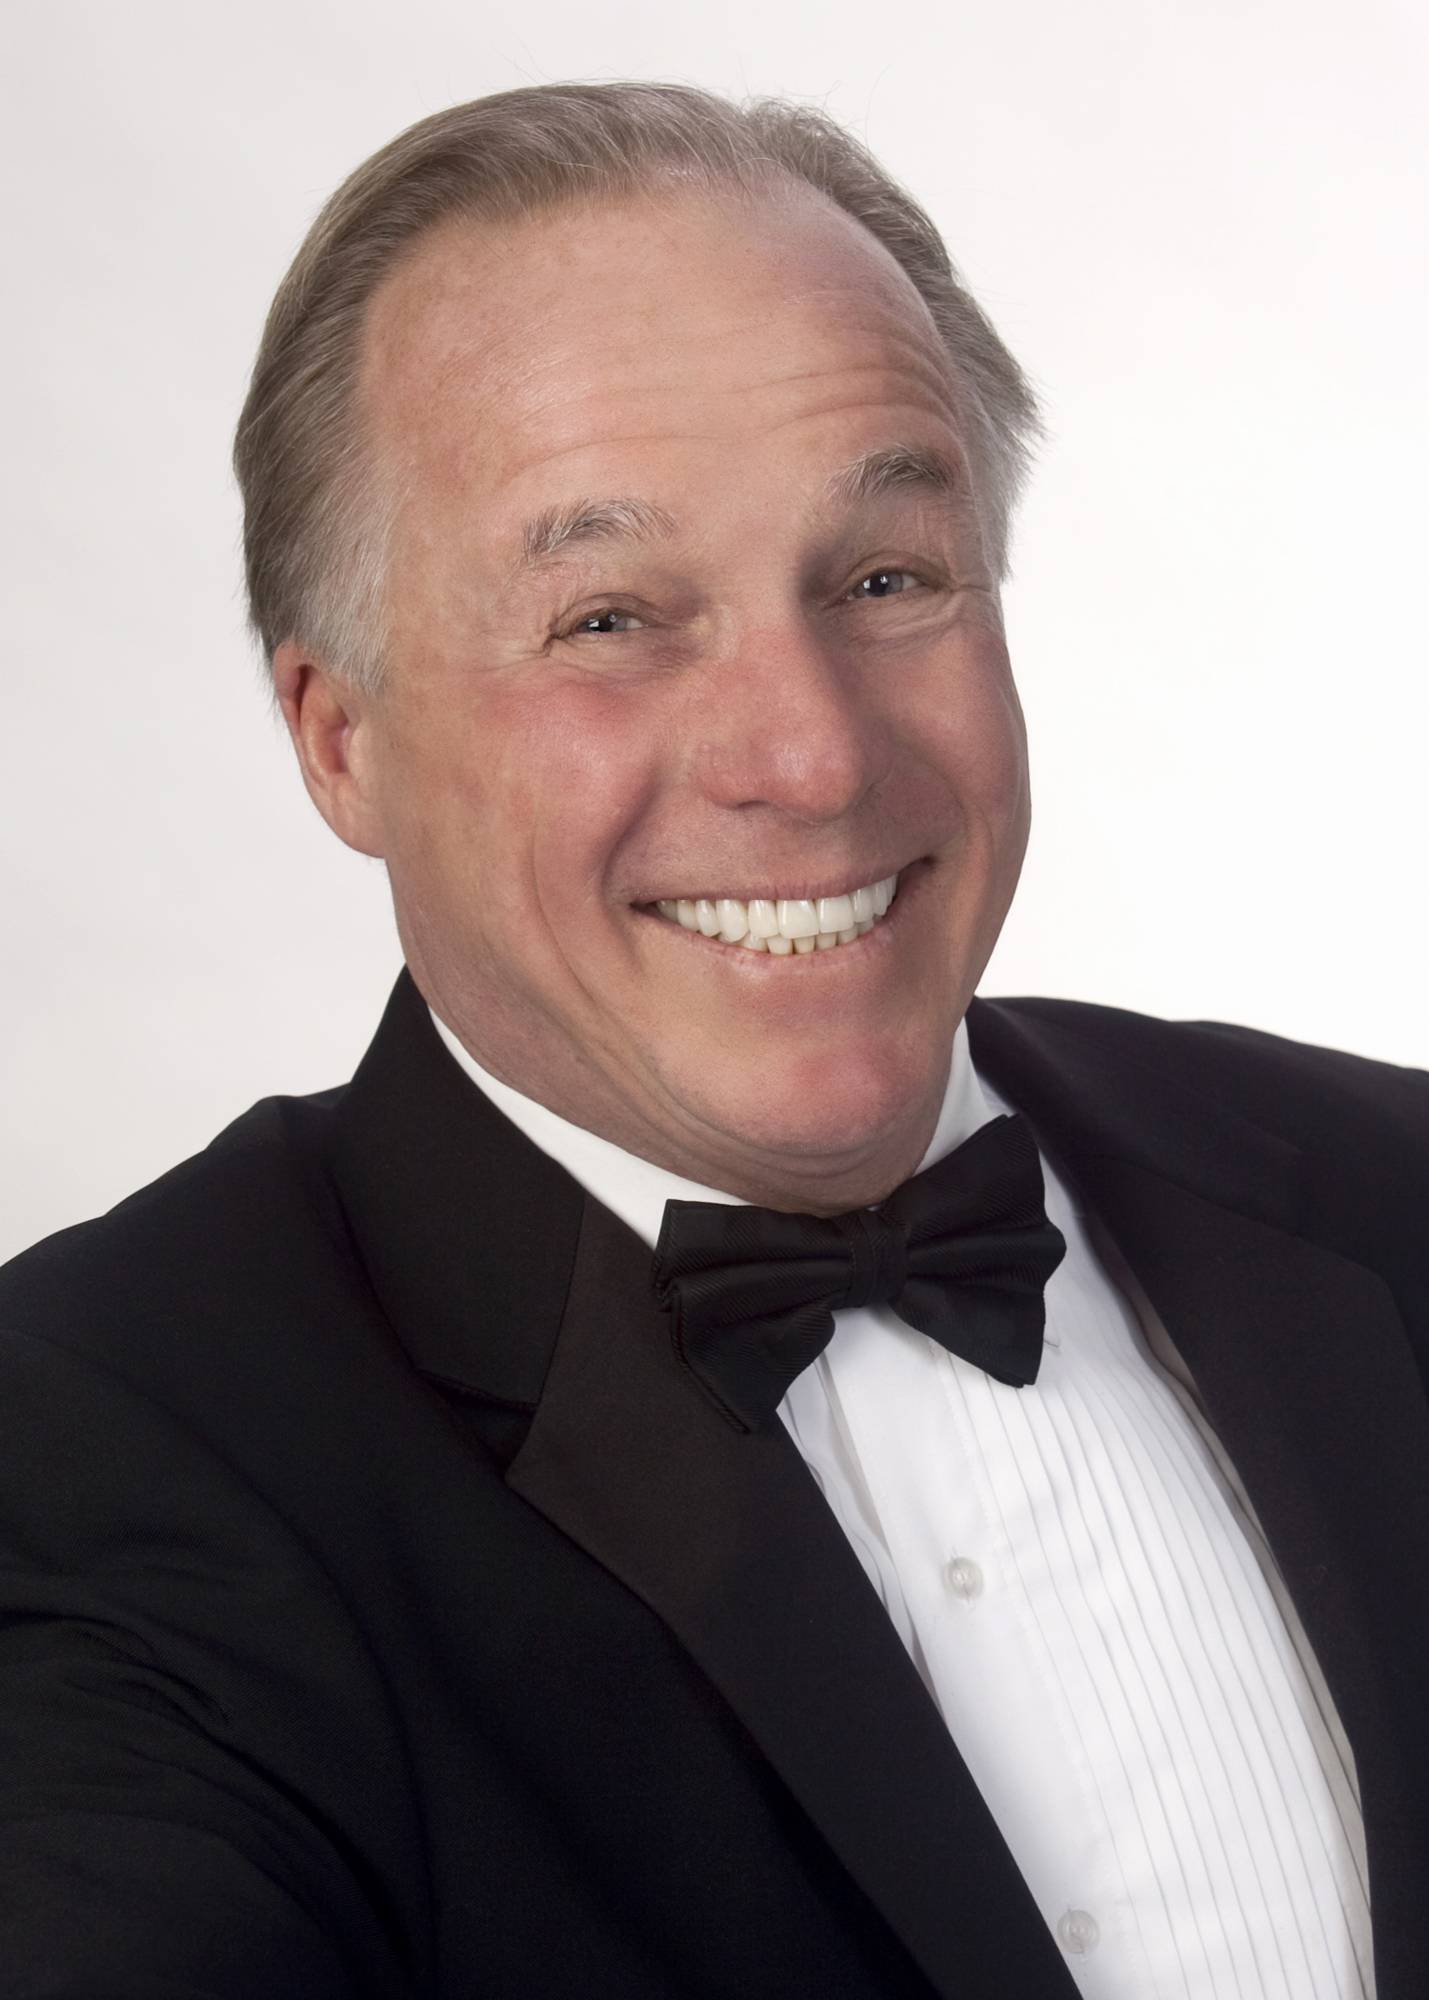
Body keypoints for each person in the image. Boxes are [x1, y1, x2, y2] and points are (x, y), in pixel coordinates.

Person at [1, 79, 1424, 2000]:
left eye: (885, 580)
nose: (812, 757)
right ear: (342, 740)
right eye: (608, 617)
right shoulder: (92, 1447)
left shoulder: (1392, 1190)